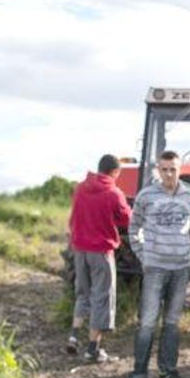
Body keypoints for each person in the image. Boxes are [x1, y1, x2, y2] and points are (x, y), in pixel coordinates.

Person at [124, 150, 190, 378]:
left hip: (181, 268)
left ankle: (168, 370)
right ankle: (138, 377)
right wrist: (143, 256)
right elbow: (134, 228)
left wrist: (186, 248)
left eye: (173, 169)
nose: (169, 173)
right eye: (164, 169)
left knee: (172, 323)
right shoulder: (146, 195)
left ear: (180, 170)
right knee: (147, 323)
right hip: (155, 267)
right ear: (158, 169)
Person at [66, 153, 132, 363]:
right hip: (100, 252)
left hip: (79, 250)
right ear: (115, 172)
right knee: (102, 297)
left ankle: (74, 336)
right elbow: (127, 220)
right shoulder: (114, 192)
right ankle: (93, 350)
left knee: (82, 293)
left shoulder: (79, 188)